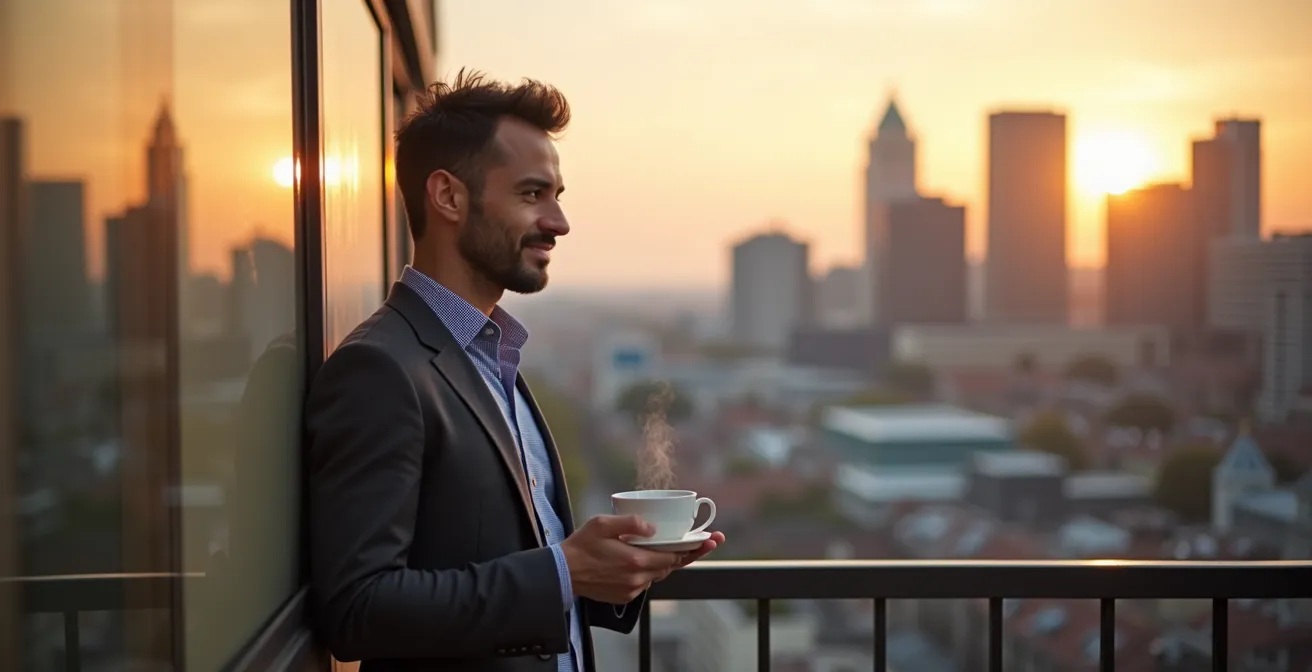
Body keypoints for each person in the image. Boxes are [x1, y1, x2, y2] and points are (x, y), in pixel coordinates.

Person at [304, 69, 725, 671]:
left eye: (558, 196)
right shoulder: (379, 369)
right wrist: (564, 569)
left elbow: (515, 558)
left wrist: (614, 569)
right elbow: (358, 609)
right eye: (532, 195)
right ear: (448, 196)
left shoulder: (492, 355)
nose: (558, 223)